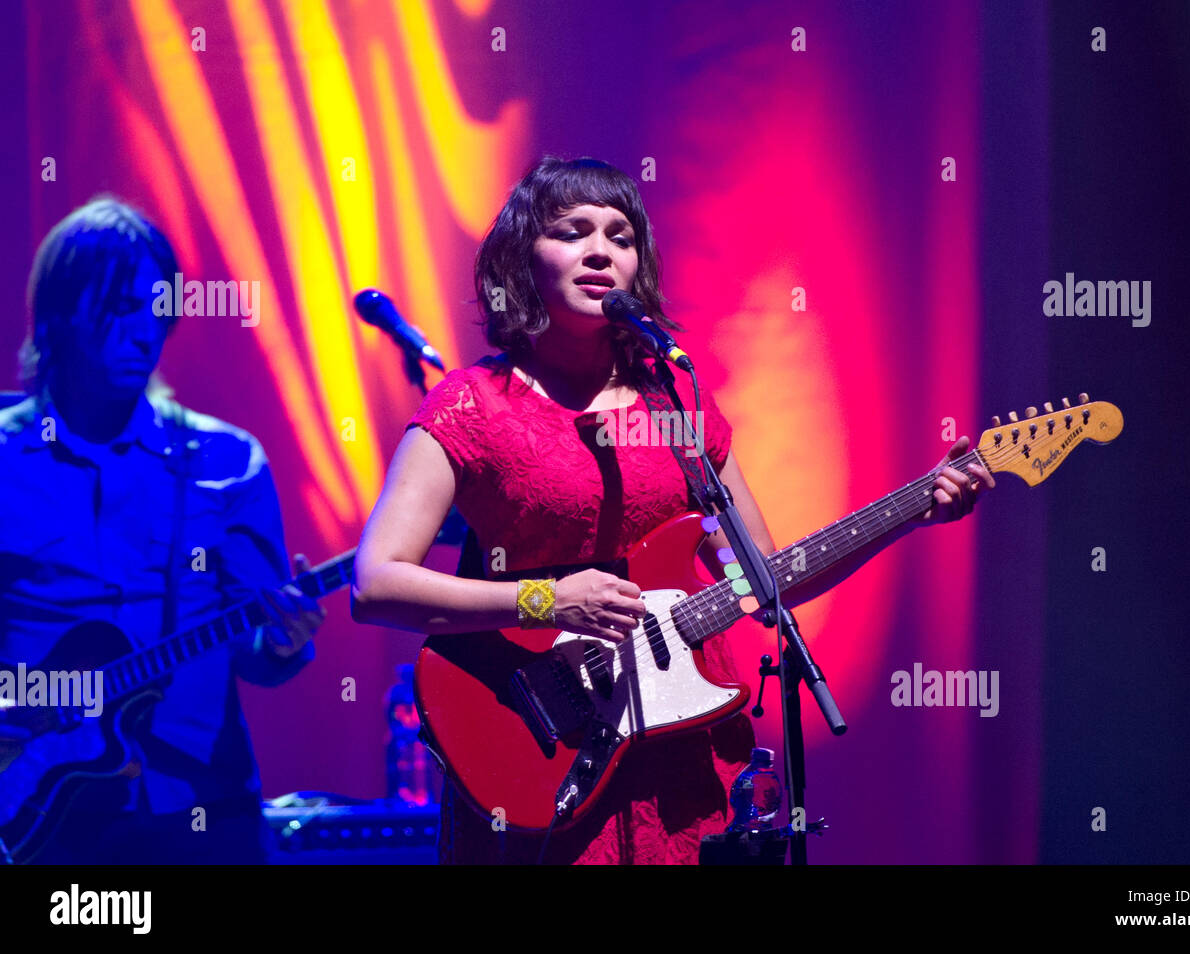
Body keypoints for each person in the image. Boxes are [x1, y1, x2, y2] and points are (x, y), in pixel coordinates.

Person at [351, 156, 992, 864]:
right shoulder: (473, 403)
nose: (601, 251)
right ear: (521, 259)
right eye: (572, 231)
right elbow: (376, 581)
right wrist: (547, 600)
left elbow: (763, 579)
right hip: (540, 747)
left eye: (621, 236)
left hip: (679, 753)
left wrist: (913, 510)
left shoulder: (676, 400)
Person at [0, 197, 323, 864]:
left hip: (198, 806)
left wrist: (283, 640)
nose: (145, 331)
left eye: (158, 307)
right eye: (121, 307)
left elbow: (256, 652)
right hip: (41, 814)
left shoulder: (227, 461)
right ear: (59, 315)